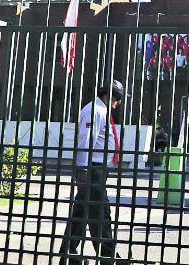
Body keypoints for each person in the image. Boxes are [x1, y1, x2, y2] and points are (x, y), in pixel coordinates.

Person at [59, 80, 128, 265]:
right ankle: (109, 258)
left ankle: (68, 255)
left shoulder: (101, 110)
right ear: (109, 95)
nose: (119, 102)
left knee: (80, 216)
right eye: (118, 98)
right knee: (101, 215)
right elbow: (86, 140)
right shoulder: (95, 110)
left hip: (96, 170)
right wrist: (82, 169)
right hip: (93, 170)